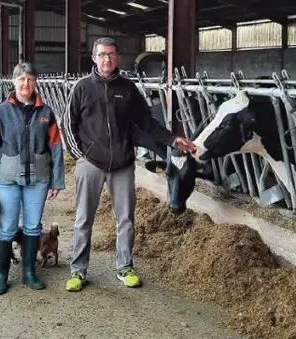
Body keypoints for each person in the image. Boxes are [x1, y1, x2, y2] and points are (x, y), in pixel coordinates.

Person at [61, 37, 196, 292]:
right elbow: (68, 124)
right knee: (83, 218)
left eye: (111, 54)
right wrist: (79, 153)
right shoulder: (82, 87)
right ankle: (78, 271)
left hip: (122, 163)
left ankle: (124, 266)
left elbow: (147, 122)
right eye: (102, 55)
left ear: (118, 57)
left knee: (126, 219)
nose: (107, 59)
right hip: (90, 162)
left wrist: (173, 139)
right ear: (93, 57)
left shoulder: (128, 88)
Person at [0, 62, 65, 295]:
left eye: (30, 79)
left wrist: (57, 180)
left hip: (39, 179)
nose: (26, 84)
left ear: (36, 83)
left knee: (33, 226)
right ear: (13, 82)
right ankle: (1, 276)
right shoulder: (1, 113)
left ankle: (28, 273)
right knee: (6, 227)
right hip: (6, 179)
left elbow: (55, 147)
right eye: (21, 79)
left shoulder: (46, 113)